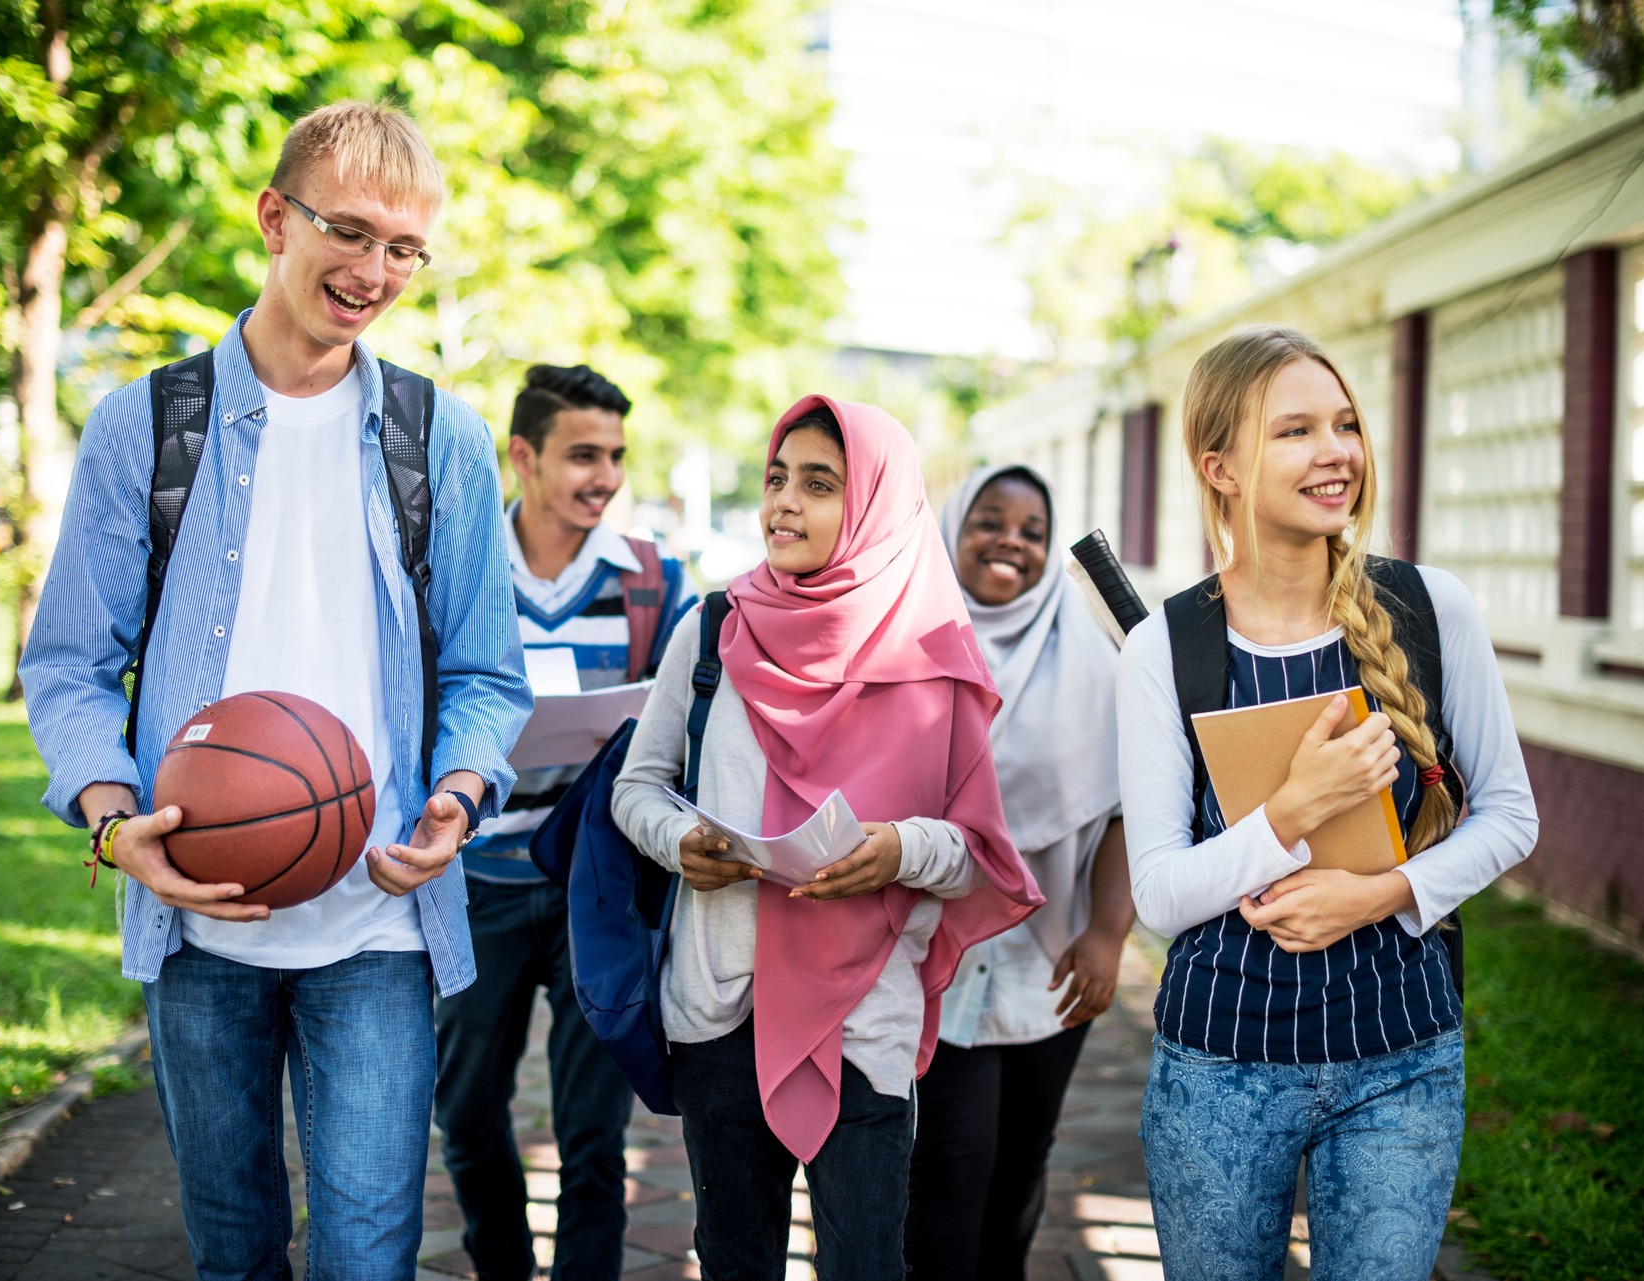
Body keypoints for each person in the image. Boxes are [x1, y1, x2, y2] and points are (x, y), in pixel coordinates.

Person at [19, 101, 530, 1281]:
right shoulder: (144, 426)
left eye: (405, 248)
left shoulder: (438, 436)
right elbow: (69, 665)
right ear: (273, 218)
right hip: (199, 918)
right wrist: (111, 819)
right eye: (350, 233)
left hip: (375, 926)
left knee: (369, 1257)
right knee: (235, 1252)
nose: (374, 272)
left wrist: (457, 790)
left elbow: (489, 674)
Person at [1116, 326, 1538, 1280]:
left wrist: (1378, 894)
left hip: (1402, 1058)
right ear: (1218, 466)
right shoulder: (1165, 647)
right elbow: (1160, 895)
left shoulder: (1432, 609)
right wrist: (1294, 810)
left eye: (1344, 423)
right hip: (1219, 1067)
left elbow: (1512, 815)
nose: (1336, 451)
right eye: (1296, 430)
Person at [610, 396, 1043, 1281]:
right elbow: (636, 786)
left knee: (866, 1262)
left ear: (877, 503)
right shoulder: (713, 626)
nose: (783, 504)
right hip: (719, 1005)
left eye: (818, 484)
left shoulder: (935, 655)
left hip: (864, 1019)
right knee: (734, 1258)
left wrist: (896, 849)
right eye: (776, 478)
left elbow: (974, 852)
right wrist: (679, 840)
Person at [433, 362, 692, 1281]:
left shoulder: (655, 582)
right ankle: (501, 1263)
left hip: (597, 887)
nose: (606, 476)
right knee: (463, 1108)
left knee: (595, 1132)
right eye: (584, 454)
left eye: (616, 455)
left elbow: (686, 721)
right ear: (524, 457)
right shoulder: (455, 574)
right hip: (476, 879)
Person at [904, 464, 1133, 1280]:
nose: (1011, 541)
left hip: (1051, 966)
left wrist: (1107, 934)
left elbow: (1124, 812)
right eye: (989, 520)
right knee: (946, 1177)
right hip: (933, 962)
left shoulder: (1101, 663)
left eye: (1033, 531)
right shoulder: (906, 645)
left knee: (1018, 1178)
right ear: (951, 530)